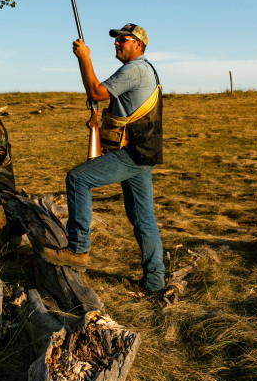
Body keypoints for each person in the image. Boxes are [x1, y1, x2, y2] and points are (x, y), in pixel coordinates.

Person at [42, 23, 166, 294]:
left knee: (77, 179)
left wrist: (85, 58)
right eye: (117, 39)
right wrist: (97, 115)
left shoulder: (134, 69)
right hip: (143, 152)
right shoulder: (145, 69)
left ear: (138, 45)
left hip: (132, 153)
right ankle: (155, 282)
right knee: (142, 218)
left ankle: (77, 250)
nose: (117, 43)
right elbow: (103, 98)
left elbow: (97, 92)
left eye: (123, 39)